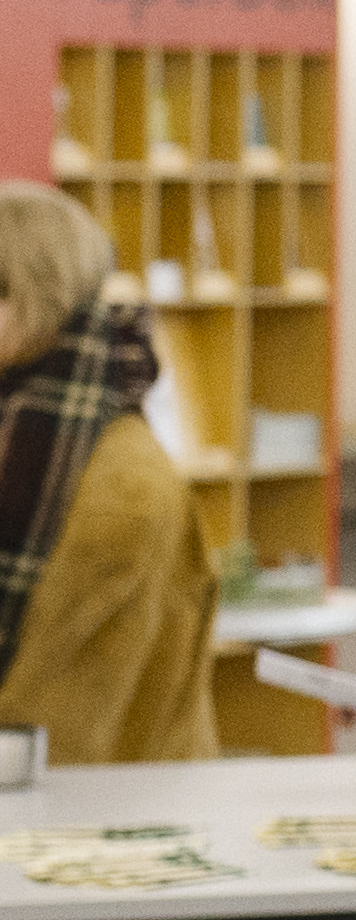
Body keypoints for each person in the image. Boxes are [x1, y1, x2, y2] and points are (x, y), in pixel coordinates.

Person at [0, 184, 216, 762]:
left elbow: (52, 707)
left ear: (39, 299)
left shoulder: (111, 481)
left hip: (89, 815)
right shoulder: (33, 433)